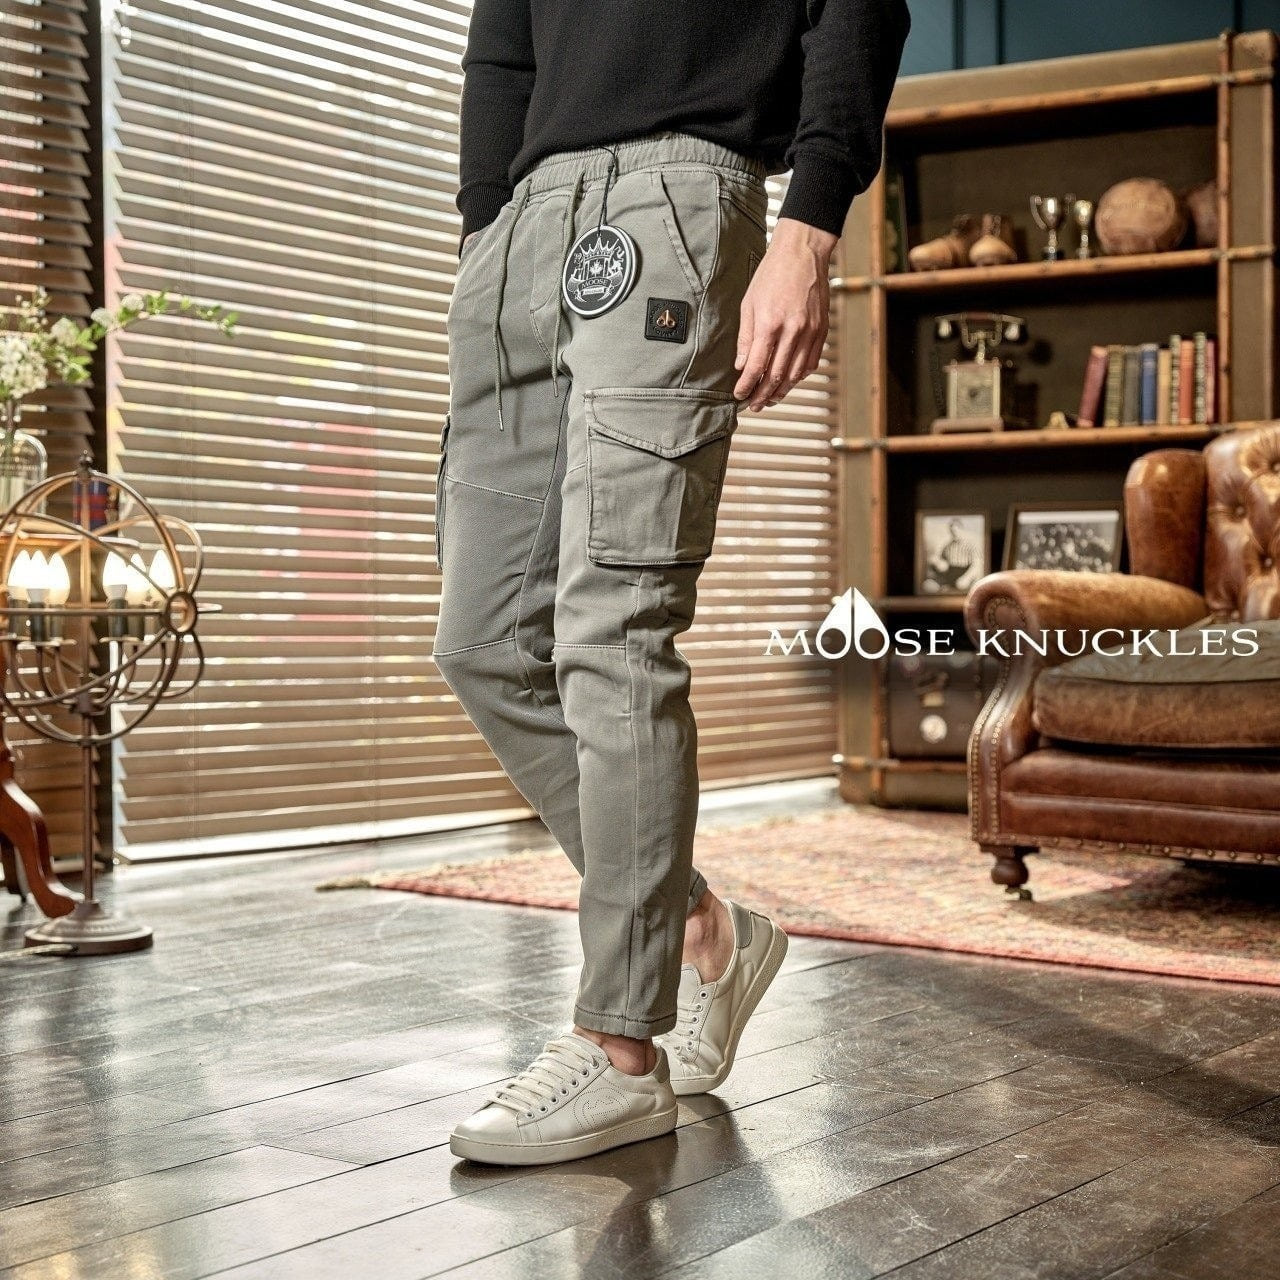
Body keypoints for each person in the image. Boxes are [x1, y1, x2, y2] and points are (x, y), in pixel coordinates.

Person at [435, 0, 911, 1166]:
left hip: (674, 198)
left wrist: (805, 230)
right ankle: (697, 925)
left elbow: (856, 9)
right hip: (519, 230)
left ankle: (619, 1050)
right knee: (483, 642)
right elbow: (503, 45)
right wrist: (483, 227)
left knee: (614, 630)